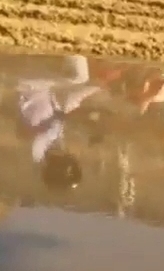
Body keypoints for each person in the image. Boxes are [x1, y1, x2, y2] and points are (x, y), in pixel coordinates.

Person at [16, 55, 102, 191]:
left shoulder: (37, 150)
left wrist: (84, 119)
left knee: (78, 78)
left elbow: (50, 124)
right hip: (45, 90)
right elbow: (60, 114)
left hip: (33, 85)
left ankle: (73, 47)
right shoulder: (52, 149)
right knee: (96, 85)